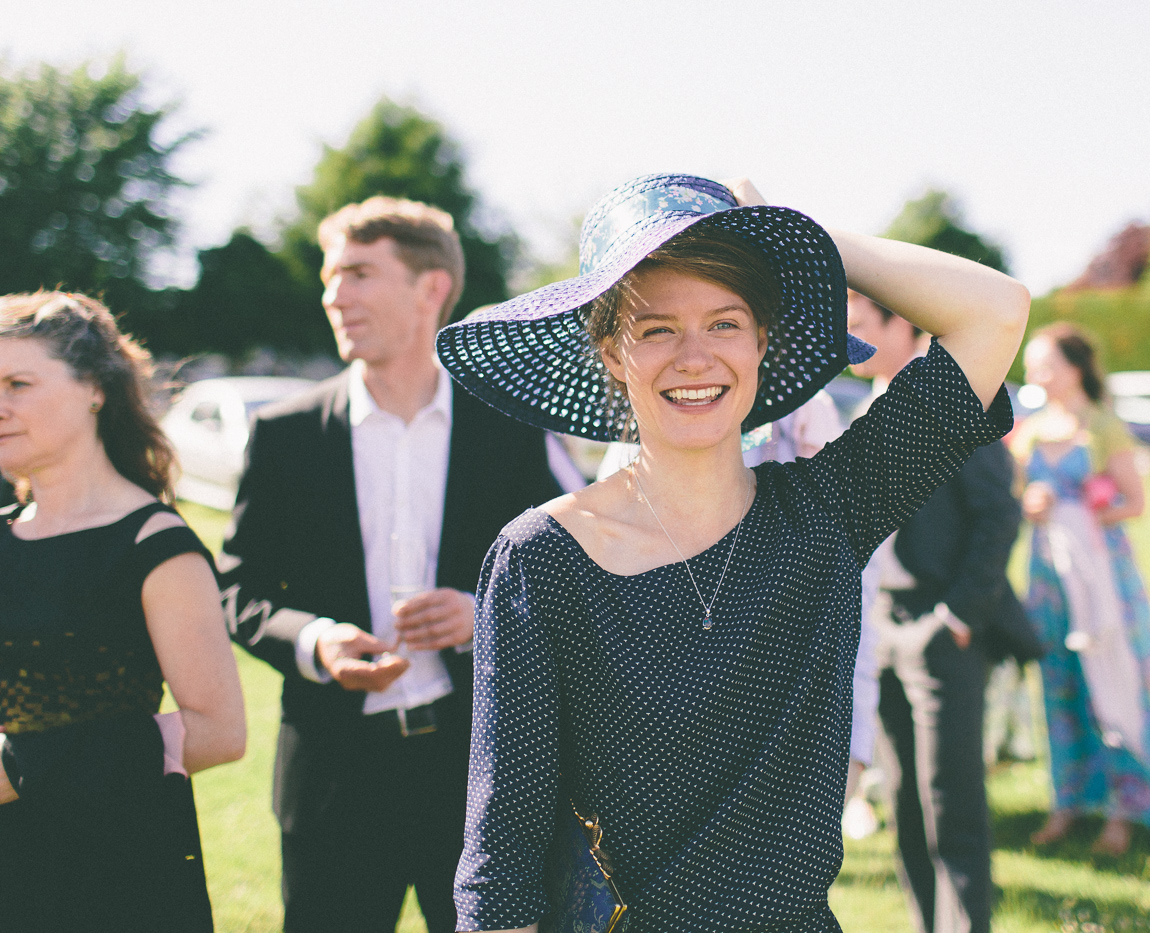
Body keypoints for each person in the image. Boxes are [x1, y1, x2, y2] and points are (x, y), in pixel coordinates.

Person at [436, 173, 1029, 932]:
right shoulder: (540, 559)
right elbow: (502, 854)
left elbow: (996, 311)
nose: (694, 356)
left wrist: (806, 239)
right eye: (656, 329)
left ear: (762, 341)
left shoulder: (831, 511)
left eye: (725, 322)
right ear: (613, 353)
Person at [218, 198, 565, 933]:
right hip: (333, 778)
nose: (332, 295)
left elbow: (562, 571)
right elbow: (236, 589)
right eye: (329, 277)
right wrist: (314, 640)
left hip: (478, 778)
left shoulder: (507, 428)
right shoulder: (283, 435)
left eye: (357, 273)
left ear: (431, 288)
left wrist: (482, 616)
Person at [0, 291, 246, 932]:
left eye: (17, 383)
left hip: (114, 868)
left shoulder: (154, 542)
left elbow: (220, 731)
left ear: (94, 390)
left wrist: (20, 767)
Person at [594, 391, 883, 809]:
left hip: (786, 722)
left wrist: (853, 739)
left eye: (727, 324)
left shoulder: (804, 419)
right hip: (667, 736)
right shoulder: (639, 433)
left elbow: (853, 585)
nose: (697, 359)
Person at [848, 290, 1031, 933]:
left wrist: (955, 617)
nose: (851, 340)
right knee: (902, 803)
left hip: (939, 625)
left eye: (863, 325)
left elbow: (1000, 514)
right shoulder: (872, 402)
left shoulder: (956, 397)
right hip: (885, 623)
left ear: (903, 322)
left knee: (951, 802)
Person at [1011, 322, 1150, 855]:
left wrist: (1083, 511)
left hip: (1102, 577)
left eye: (1043, 364)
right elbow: (1013, 498)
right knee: (1058, 684)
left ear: (1072, 369)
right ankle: (1067, 802)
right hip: (1049, 577)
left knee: (1112, 683)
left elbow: (1134, 502)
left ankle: (1123, 808)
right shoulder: (1028, 430)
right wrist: (1029, 504)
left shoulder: (1103, 427)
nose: (1034, 375)